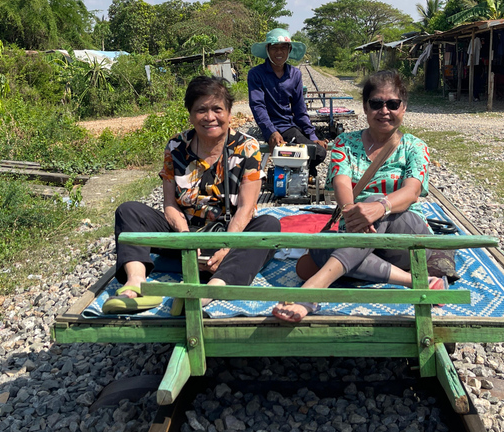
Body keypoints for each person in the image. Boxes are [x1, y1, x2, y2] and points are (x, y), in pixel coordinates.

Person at [271, 70, 457, 323]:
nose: (384, 110)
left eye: (392, 104)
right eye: (376, 103)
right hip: (359, 232)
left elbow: (412, 192)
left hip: (406, 235)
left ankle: (312, 290)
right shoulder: (345, 143)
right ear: (365, 107)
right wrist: (352, 211)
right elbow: (341, 184)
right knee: (323, 243)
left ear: (403, 107)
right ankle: (415, 281)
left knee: (367, 204)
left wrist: (378, 207)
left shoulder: (415, 146)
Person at [105, 76, 280, 313]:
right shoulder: (176, 147)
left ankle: (210, 291)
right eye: (201, 110)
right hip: (184, 236)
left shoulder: (247, 147)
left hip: (228, 237)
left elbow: (246, 209)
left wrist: (226, 247)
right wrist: (186, 240)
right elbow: (170, 205)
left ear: (229, 113)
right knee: (129, 211)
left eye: (217, 109)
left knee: (269, 225)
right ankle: (136, 283)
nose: (210, 117)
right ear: (190, 115)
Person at [248, 28, 327, 179]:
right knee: (318, 153)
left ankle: (297, 177)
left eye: (283, 47)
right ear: (267, 49)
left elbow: (299, 109)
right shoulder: (256, 74)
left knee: (317, 149)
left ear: (289, 49)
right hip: (274, 128)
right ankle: (291, 177)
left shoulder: (295, 74)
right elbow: (258, 106)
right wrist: (271, 132)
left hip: (290, 126)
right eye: (274, 47)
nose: (279, 52)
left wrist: (312, 135)